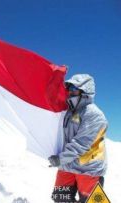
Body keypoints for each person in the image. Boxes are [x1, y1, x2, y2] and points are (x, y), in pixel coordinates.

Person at [48, 74, 108, 203]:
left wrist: (60, 159)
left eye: (74, 88)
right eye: (69, 88)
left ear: (85, 91)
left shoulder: (94, 114)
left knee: (91, 202)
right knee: (60, 198)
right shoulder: (68, 112)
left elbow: (81, 143)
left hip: (88, 169)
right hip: (67, 166)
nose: (70, 92)